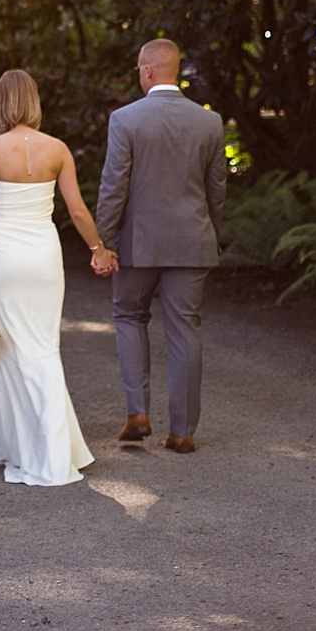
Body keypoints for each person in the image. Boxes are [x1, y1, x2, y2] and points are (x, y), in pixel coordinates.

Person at [0, 69, 116, 486]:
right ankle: (44, 446)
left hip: (4, 260)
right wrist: (97, 249)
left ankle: (34, 450)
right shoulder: (58, 149)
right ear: (33, 102)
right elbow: (78, 210)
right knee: (43, 348)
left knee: (10, 351)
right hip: (44, 258)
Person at [96, 37, 226, 454]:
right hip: (192, 240)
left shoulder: (126, 119)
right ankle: (183, 432)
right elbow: (216, 190)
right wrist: (208, 232)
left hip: (138, 244)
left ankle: (138, 412)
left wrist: (104, 241)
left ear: (148, 71)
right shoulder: (210, 122)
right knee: (185, 328)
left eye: (139, 70)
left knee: (129, 316)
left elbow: (113, 186)